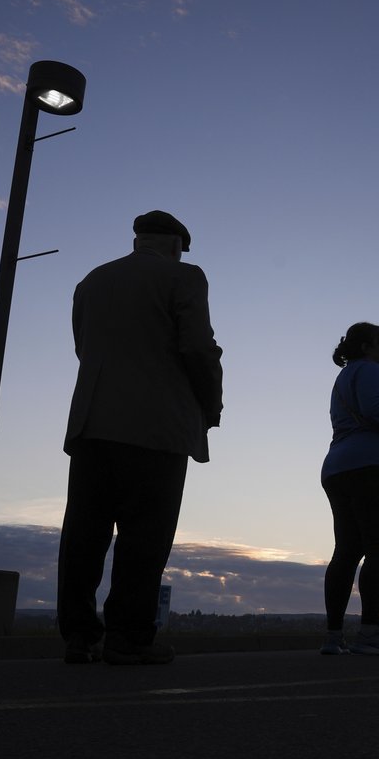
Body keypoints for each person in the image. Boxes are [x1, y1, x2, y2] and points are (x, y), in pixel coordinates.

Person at [56, 211, 223, 666]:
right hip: (156, 426)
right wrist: (211, 405)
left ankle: (78, 635)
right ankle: (127, 636)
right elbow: (197, 347)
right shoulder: (184, 276)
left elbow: (83, 348)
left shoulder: (92, 281)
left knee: (84, 534)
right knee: (144, 537)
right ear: (176, 244)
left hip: (93, 424)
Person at [319, 322, 379, 656]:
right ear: (368, 347)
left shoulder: (343, 377)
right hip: (373, 467)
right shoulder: (370, 371)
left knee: (346, 551)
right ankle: (370, 633)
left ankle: (334, 637)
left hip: (338, 467)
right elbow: (375, 409)